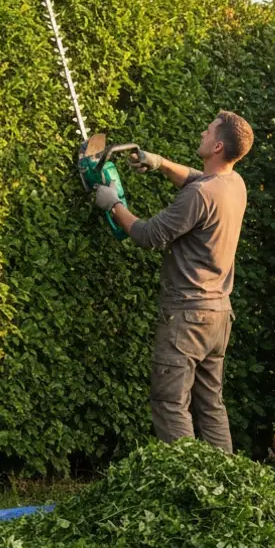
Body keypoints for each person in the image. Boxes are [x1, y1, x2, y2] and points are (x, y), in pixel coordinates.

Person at [92, 110, 252, 453]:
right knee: (211, 405)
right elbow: (197, 178)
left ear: (217, 146)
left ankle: (189, 487)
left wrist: (114, 205)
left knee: (170, 402)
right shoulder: (234, 184)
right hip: (218, 315)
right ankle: (227, 485)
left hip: (187, 317)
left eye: (207, 132)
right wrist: (160, 163)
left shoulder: (200, 196)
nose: (201, 132)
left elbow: (149, 235)